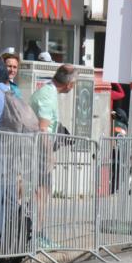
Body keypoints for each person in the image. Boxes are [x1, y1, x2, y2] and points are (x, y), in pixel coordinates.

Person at [30, 64, 77, 249]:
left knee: (41, 193)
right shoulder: (48, 96)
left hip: (35, 151)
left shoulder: (48, 92)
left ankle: (37, 233)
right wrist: (49, 156)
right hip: (37, 153)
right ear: (70, 84)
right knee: (41, 194)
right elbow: (43, 129)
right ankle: (37, 234)